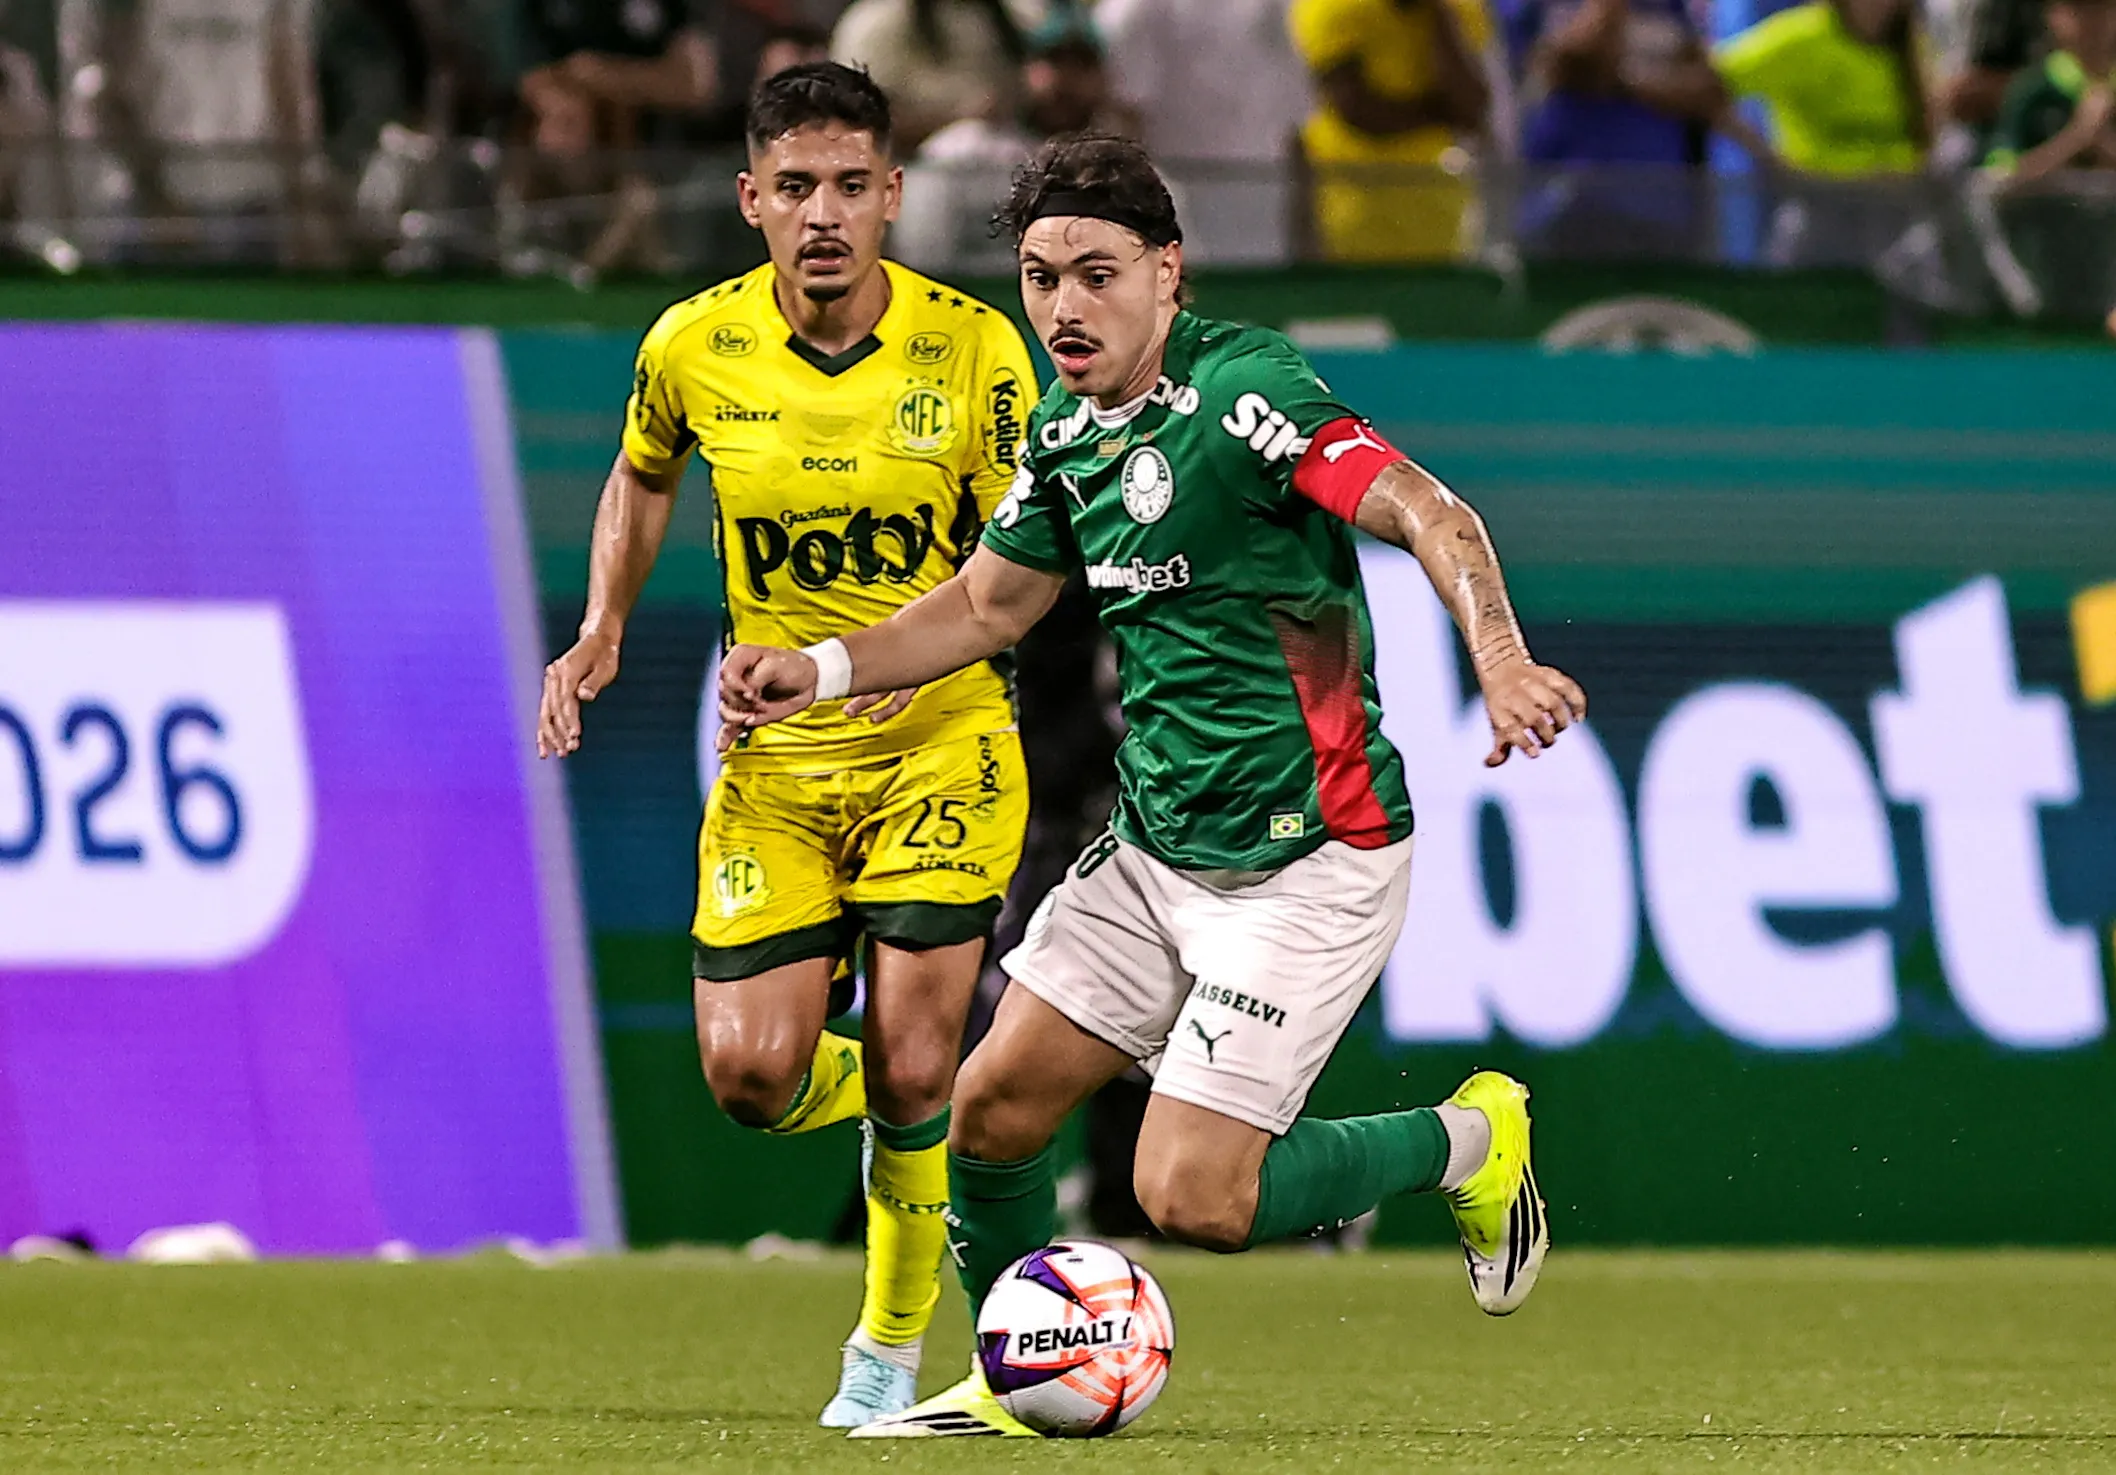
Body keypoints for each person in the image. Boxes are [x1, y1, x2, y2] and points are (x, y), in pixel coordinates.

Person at [718, 131, 1584, 1439]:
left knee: (1192, 1195)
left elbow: (1428, 510)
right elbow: (988, 603)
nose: (1065, 306)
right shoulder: (1066, 435)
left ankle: (1469, 1138)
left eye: (1097, 273)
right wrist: (825, 666)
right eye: (1040, 277)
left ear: (1166, 271)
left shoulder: (1244, 392)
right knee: (989, 1111)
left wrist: (1502, 658)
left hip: (1310, 852)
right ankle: (1016, 1373)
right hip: (1154, 850)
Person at [535, 62, 1038, 1430]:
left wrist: (909, 656)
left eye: (851, 186)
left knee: (916, 1054)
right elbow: (643, 474)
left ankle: (884, 1354)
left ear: (892, 195)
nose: (825, 214)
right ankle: (919, 1120)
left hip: (940, 740)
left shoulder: (975, 352)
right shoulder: (691, 345)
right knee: (754, 1076)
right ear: (750, 198)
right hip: (777, 760)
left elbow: (1026, 563)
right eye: (797, 187)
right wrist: (601, 627)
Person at [1098, 0, 1315, 264]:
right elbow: (1122, 124)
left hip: (1268, 247)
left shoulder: (1279, 8)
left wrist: (1307, 237)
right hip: (1177, 247)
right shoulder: (1134, 9)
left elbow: (1295, 130)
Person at [1289, 0, 1495, 262]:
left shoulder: (1458, 8)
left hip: (1437, 202)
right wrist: (1441, 115)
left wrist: (1440, 16)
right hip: (1353, 195)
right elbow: (1356, 108)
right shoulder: (1331, 6)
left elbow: (1471, 107)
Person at [831, 0, 1025, 152]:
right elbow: (862, 120)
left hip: (995, 154)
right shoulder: (874, 22)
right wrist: (957, 119)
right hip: (905, 167)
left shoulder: (981, 17)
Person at [1983, 0, 2116, 184]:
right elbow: (1996, 178)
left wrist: (2105, 142)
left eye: (2101, 10)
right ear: (2052, 15)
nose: (2092, 23)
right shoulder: (2032, 89)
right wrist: (2076, 138)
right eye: (2078, 10)